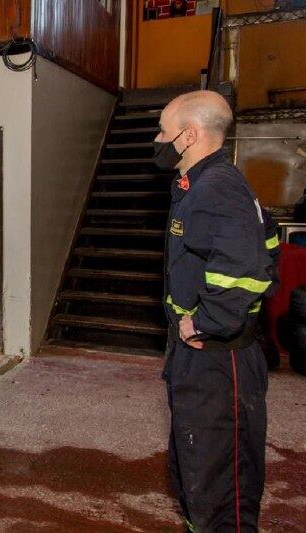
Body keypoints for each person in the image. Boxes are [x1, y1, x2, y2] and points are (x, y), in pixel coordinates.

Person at [154, 91, 278, 531]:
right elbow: (267, 245)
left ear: (189, 136)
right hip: (197, 355)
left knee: (221, 479)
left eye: (164, 132)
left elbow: (247, 270)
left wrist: (206, 320)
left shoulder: (218, 188)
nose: (158, 139)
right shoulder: (196, 185)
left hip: (217, 357)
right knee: (196, 467)